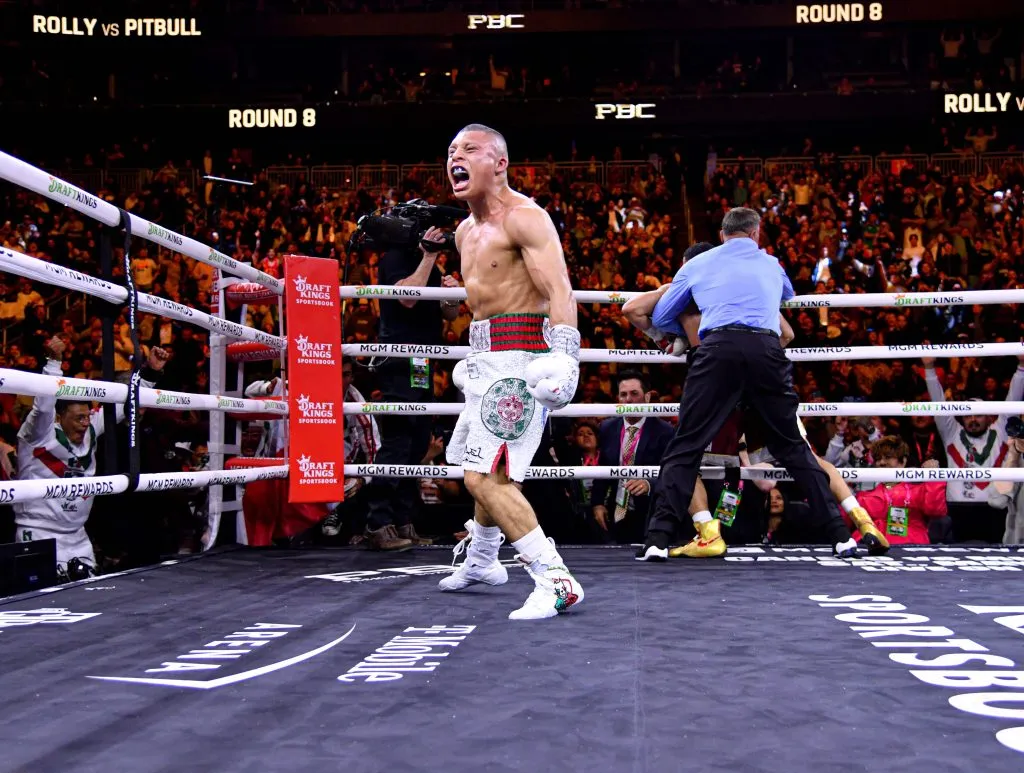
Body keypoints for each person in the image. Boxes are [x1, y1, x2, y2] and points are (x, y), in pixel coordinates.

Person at [623, 243, 888, 557]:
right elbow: (786, 334)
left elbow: (631, 309)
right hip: (761, 373)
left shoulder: (681, 290)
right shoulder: (743, 293)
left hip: (713, 378)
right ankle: (855, 525)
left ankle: (698, 533)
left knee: (685, 453)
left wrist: (664, 337)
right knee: (798, 451)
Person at [438, 123, 584, 620]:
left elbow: (559, 289)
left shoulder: (525, 217)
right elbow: (482, 302)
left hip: (522, 360)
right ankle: (482, 559)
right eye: (451, 151)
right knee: (486, 467)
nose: (456, 157)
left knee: (484, 478)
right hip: (485, 360)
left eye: (469, 149)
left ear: (500, 163)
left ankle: (555, 579)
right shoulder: (464, 231)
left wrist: (565, 357)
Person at [14, 336, 169, 580]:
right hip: (39, 533)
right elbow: (42, 407)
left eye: (87, 416)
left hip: (78, 537)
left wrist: (150, 372)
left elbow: (126, 405)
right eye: (78, 418)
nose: (85, 423)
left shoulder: (91, 429)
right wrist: (54, 363)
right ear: (59, 417)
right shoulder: (38, 434)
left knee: (90, 597)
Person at [361, 232, 461, 551]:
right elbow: (406, 298)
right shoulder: (395, 258)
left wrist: (451, 296)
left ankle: (403, 523)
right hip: (399, 358)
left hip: (422, 361)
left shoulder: (429, 265)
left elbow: (450, 314)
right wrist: (429, 256)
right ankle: (377, 524)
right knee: (398, 441)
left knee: (417, 442)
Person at [589, 370, 674, 545]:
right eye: (623, 394)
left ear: (647, 397)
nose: (628, 400)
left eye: (634, 394)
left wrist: (649, 484)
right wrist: (597, 503)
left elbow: (671, 472)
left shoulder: (664, 431)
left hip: (651, 511)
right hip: (616, 510)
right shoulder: (607, 427)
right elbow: (602, 467)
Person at [851, 436, 947, 545]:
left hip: (912, 547)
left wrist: (933, 477)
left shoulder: (919, 489)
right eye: (878, 459)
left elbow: (936, 511)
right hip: (872, 547)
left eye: (888, 457)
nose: (881, 462)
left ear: (903, 461)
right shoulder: (865, 494)